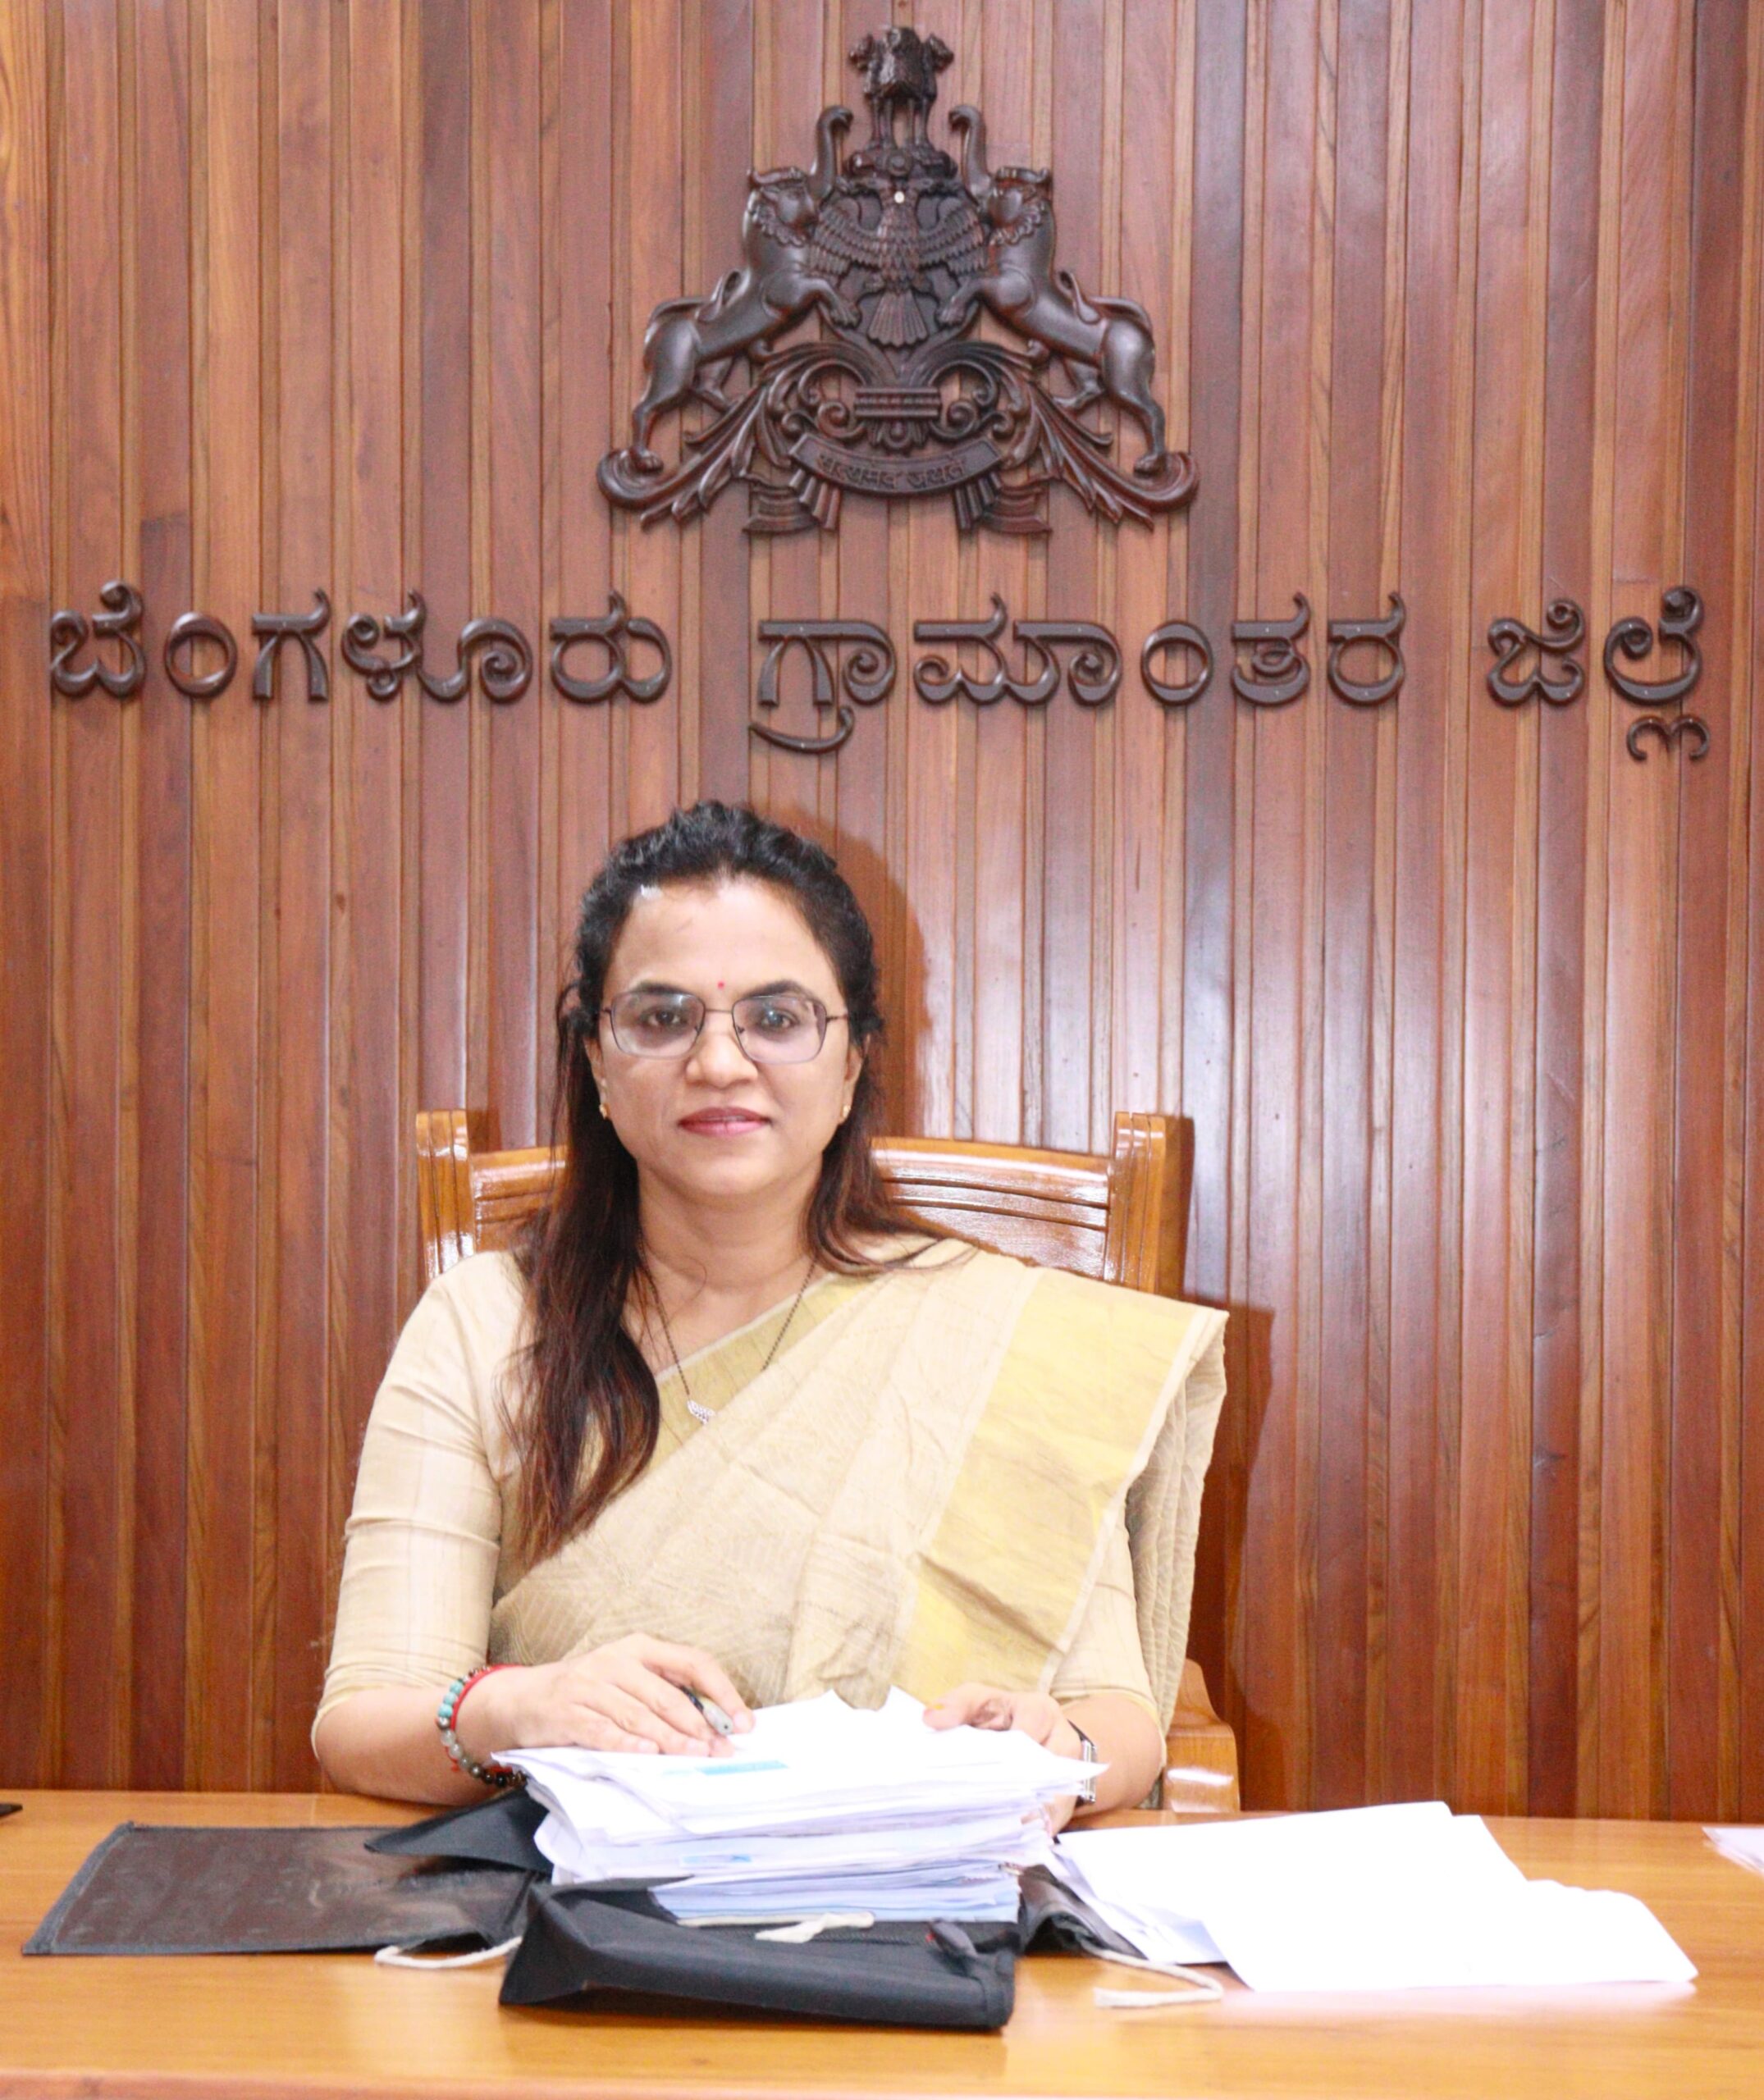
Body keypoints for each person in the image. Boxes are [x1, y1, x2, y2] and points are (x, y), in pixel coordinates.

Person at [313, 802, 1226, 1818]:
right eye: (661, 1018)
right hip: (573, 1894)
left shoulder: (1005, 1334)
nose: (718, 1063)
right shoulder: (485, 1323)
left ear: (852, 1064)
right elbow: (365, 1717)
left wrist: (1057, 1747)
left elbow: (1118, 1716)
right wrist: (516, 1707)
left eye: (777, 1019)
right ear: (597, 1064)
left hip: (913, 1888)